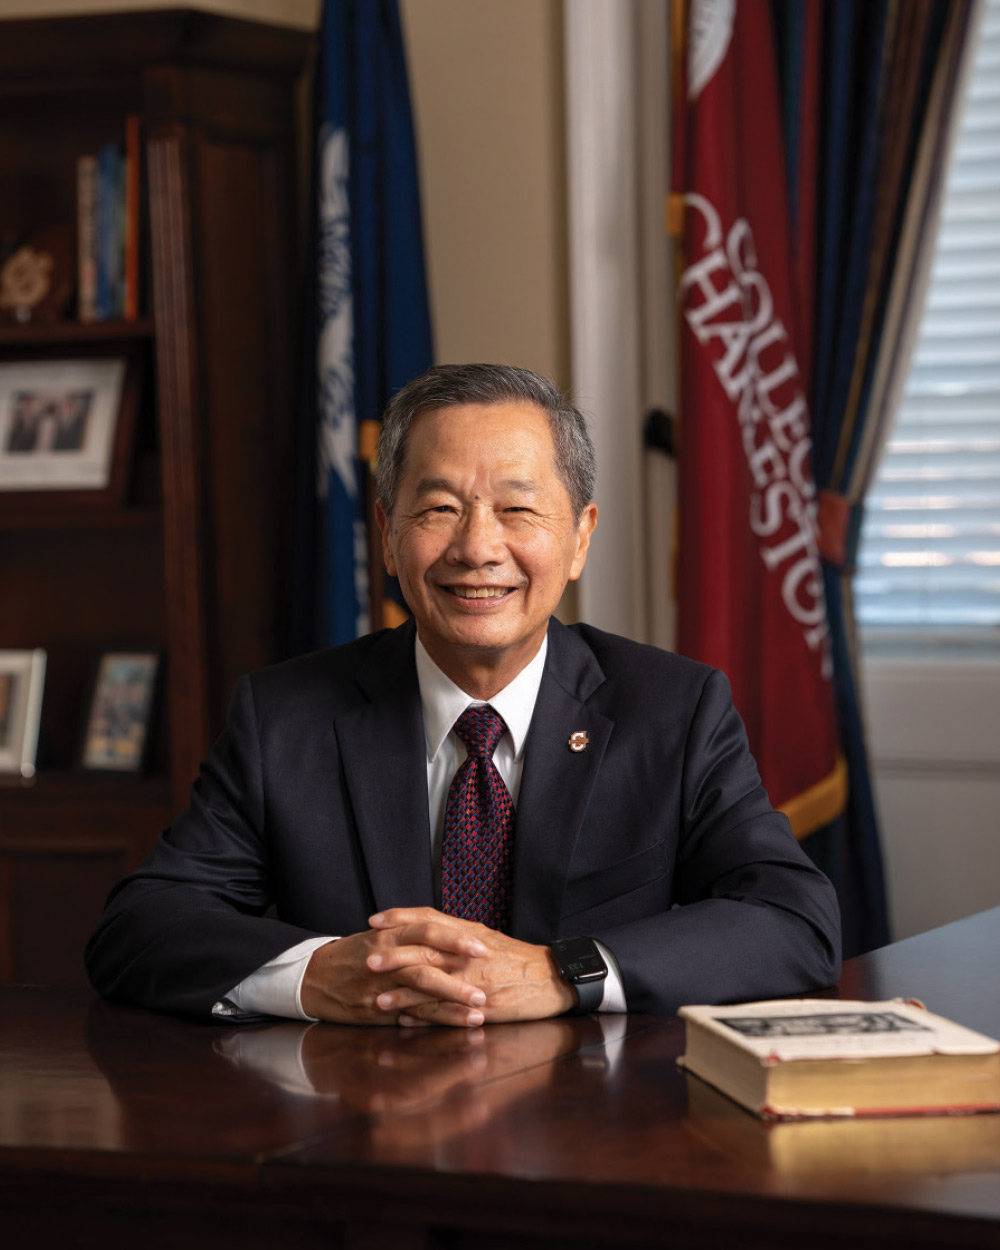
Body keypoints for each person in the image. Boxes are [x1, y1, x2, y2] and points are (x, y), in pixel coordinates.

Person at [86, 363, 841, 1026]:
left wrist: (558, 972)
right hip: (358, 1127)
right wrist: (320, 976)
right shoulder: (286, 717)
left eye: (517, 509)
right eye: (439, 508)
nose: (478, 548)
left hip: (600, 1131)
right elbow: (142, 926)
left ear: (580, 538)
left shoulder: (674, 710)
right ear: (386, 534)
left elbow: (793, 922)